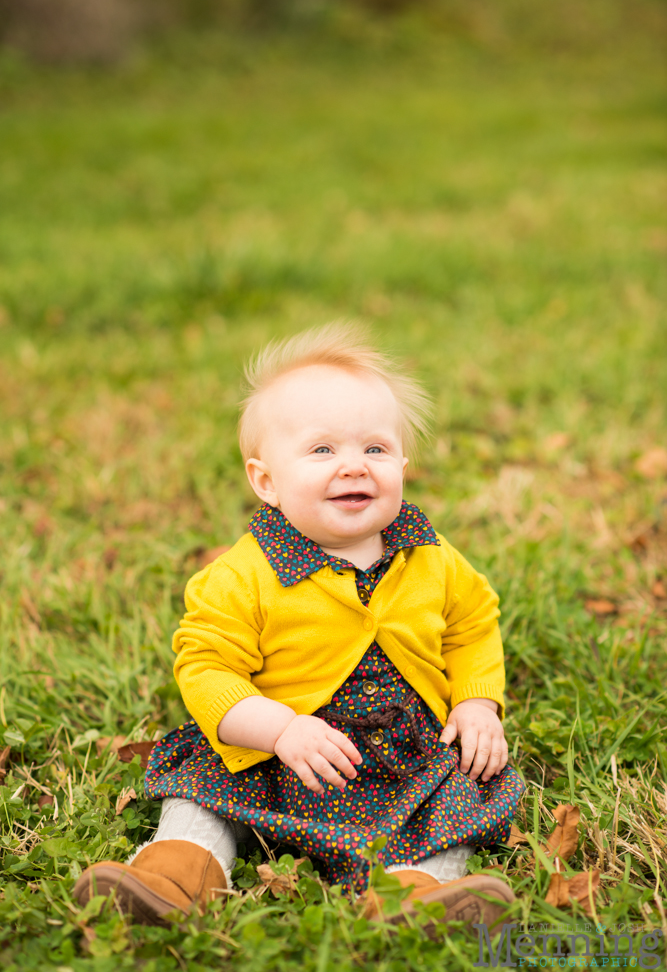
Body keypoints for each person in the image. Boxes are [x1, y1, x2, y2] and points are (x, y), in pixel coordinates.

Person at [75, 322, 523, 929]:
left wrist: (476, 703)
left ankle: (415, 895)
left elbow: (471, 624)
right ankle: (177, 874)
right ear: (266, 481)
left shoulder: (430, 555)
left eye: (375, 449)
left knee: (454, 795)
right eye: (322, 450)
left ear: (403, 463)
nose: (353, 467)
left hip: (402, 754)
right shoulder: (244, 575)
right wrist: (278, 729)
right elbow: (208, 668)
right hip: (276, 751)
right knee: (203, 792)